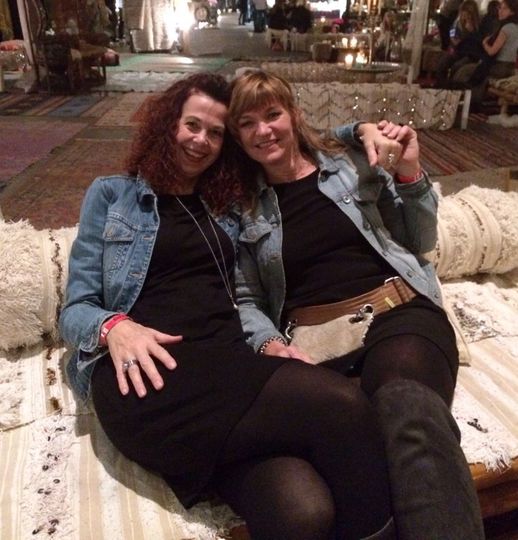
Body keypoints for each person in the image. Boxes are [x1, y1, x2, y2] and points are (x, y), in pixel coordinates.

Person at [59, 72, 408, 539]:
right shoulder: (112, 195)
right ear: (168, 123)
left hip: (228, 361)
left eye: (216, 133)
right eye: (192, 125)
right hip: (151, 375)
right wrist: (115, 327)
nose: (201, 140)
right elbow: (76, 309)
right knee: (343, 405)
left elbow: (298, 139)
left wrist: (362, 128)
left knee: (301, 509)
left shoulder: (227, 202)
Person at [227, 70, 486, 540]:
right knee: (348, 444)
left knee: (403, 402)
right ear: (237, 136)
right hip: (314, 341)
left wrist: (409, 172)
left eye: (272, 114)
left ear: (294, 114)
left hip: (397, 313)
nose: (263, 130)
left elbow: (418, 239)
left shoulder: (348, 164)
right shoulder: (243, 208)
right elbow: (246, 298)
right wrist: (268, 343)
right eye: (247, 123)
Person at [453, 0, 518, 104]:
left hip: (500, 66)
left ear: (512, 12)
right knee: (469, 68)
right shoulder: (515, 27)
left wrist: (484, 43)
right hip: (509, 66)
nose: (500, 11)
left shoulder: (505, 28)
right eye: (500, 8)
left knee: (465, 71)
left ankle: (464, 99)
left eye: (504, 8)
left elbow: (491, 51)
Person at [435, 0, 483, 87]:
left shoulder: (478, 25)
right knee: (442, 63)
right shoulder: (458, 21)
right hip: (458, 50)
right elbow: (452, 31)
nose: (463, 16)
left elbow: (475, 43)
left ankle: (451, 87)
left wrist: (469, 33)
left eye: (466, 14)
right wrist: (453, 39)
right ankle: (440, 85)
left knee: (456, 67)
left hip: (470, 54)